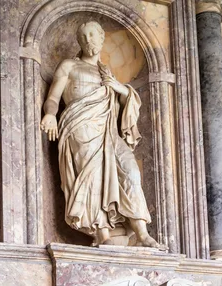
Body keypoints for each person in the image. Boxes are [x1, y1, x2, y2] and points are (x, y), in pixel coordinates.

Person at [40, 21, 159, 248]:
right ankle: (101, 232)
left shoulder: (107, 72)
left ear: (102, 38)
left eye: (92, 35)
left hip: (109, 132)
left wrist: (118, 87)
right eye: (83, 37)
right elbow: (54, 97)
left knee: (131, 172)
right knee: (92, 177)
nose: (88, 40)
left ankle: (141, 232)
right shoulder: (69, 66)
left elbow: (127, 103)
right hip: (80, 126)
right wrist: (50, 114)